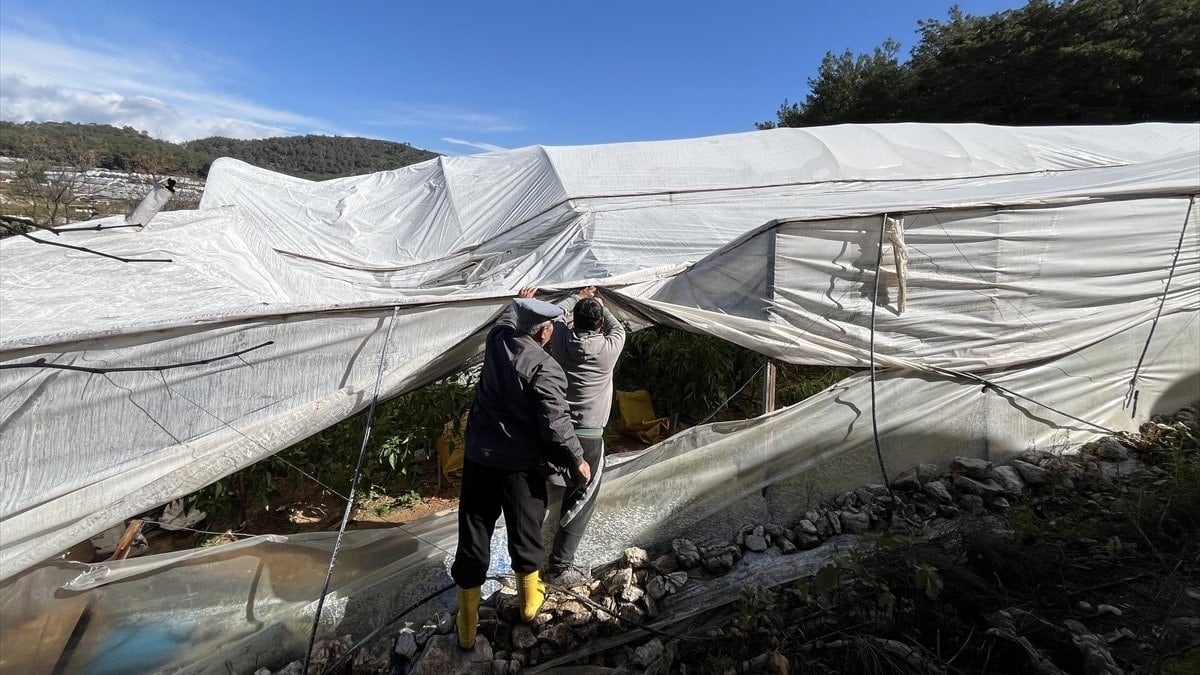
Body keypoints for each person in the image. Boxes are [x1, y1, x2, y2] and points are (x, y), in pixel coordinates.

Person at [450, 291, 592, 651]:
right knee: (525, 529)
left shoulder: (497, 341)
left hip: (480, 459)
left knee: (474, 532)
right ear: (544, 333)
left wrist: (522, 302)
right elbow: (555, 424)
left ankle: (466, 625)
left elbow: (507, 319)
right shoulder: (545, 367)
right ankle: (529, 604)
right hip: (519, 466)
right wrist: (577, 459)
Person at [542, 285, 627, 585]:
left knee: (543, 493)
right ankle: (559, 567)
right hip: (589, 438)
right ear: (600, 323)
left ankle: (528, 558)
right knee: (580, 500)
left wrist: (577, 298)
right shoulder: (609, 347)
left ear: (573, 321)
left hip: (557, 432)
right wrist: (601, 304)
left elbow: (554, 315)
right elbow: (617, 326)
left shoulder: (560, 340)